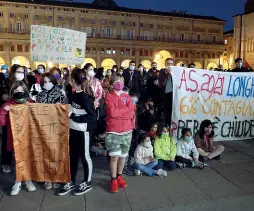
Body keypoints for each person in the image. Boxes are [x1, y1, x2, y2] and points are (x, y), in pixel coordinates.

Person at [58, 68, 96, 196]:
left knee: (85, 157)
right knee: (72, 157)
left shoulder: (85, 98)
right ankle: (71, 181)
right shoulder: (73, 94)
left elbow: (92, 117)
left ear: (73, 81)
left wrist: (73, 117)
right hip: (72, 130)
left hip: (83, 132)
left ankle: (88, 181)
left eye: (71, 79)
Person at [0, 81, 36, 195]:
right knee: (17, 160)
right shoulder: (8, 104)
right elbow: (2, 122)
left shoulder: (30, 102)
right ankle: (18, 182)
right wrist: (3, 111)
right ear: (12, 92)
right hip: (15, 137)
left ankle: (28, 180)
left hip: (28, 137)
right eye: (16, 91)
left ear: (25, 91)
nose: (19, 92)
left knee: (28, 159)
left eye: (21, 90)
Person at [105, 74, 134, 193]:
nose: (119, 83)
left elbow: (131, 112)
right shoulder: (109, 97)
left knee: (123, 156)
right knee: (114, 157)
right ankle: (113, 180)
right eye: (116, 81)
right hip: (113, 131)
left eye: (121, 80)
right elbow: (112, 113)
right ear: (111, 84)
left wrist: (121, 112)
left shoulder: (127, 97)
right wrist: (125, 111)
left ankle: (119, 176)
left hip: (127, 130)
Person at [158, 58, 174, 126]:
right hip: (166, 94)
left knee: (173, 111)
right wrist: (168, 74)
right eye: (168, 64)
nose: (169, 65)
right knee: (167, 111)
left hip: (174, 94)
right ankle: (167, 126)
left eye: (171, 64)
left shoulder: (176, 71)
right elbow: (163, 83)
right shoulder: (162, 71)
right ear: (165, 64)